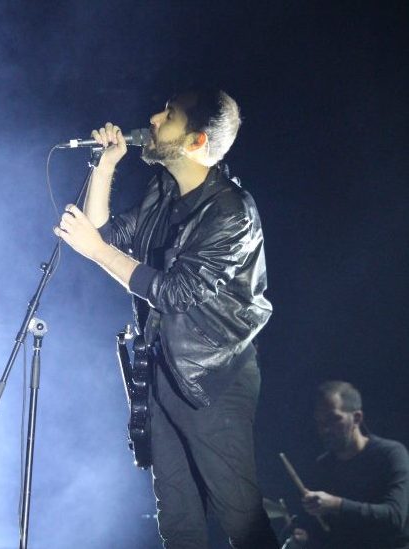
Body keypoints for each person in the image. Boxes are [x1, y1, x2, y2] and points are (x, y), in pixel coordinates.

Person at [54, 88, 279, 548]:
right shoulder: (164, 188)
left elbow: (174, 292)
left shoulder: (232, 213)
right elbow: (105, 237)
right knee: (177, 518)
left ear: (196, 141)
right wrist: (107, 165)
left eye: (170, 115)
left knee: (240, 518)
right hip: (161, 370)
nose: (154, 118)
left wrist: (97, 251)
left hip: (213, 379)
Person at [292, 381, 409, 549]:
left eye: (333, 419)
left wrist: (336, 504)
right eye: (320, 422)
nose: (325, 429)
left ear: (357, 418)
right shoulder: (323, 466)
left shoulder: (390, 454)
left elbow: (395, 518)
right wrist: (305, 537)